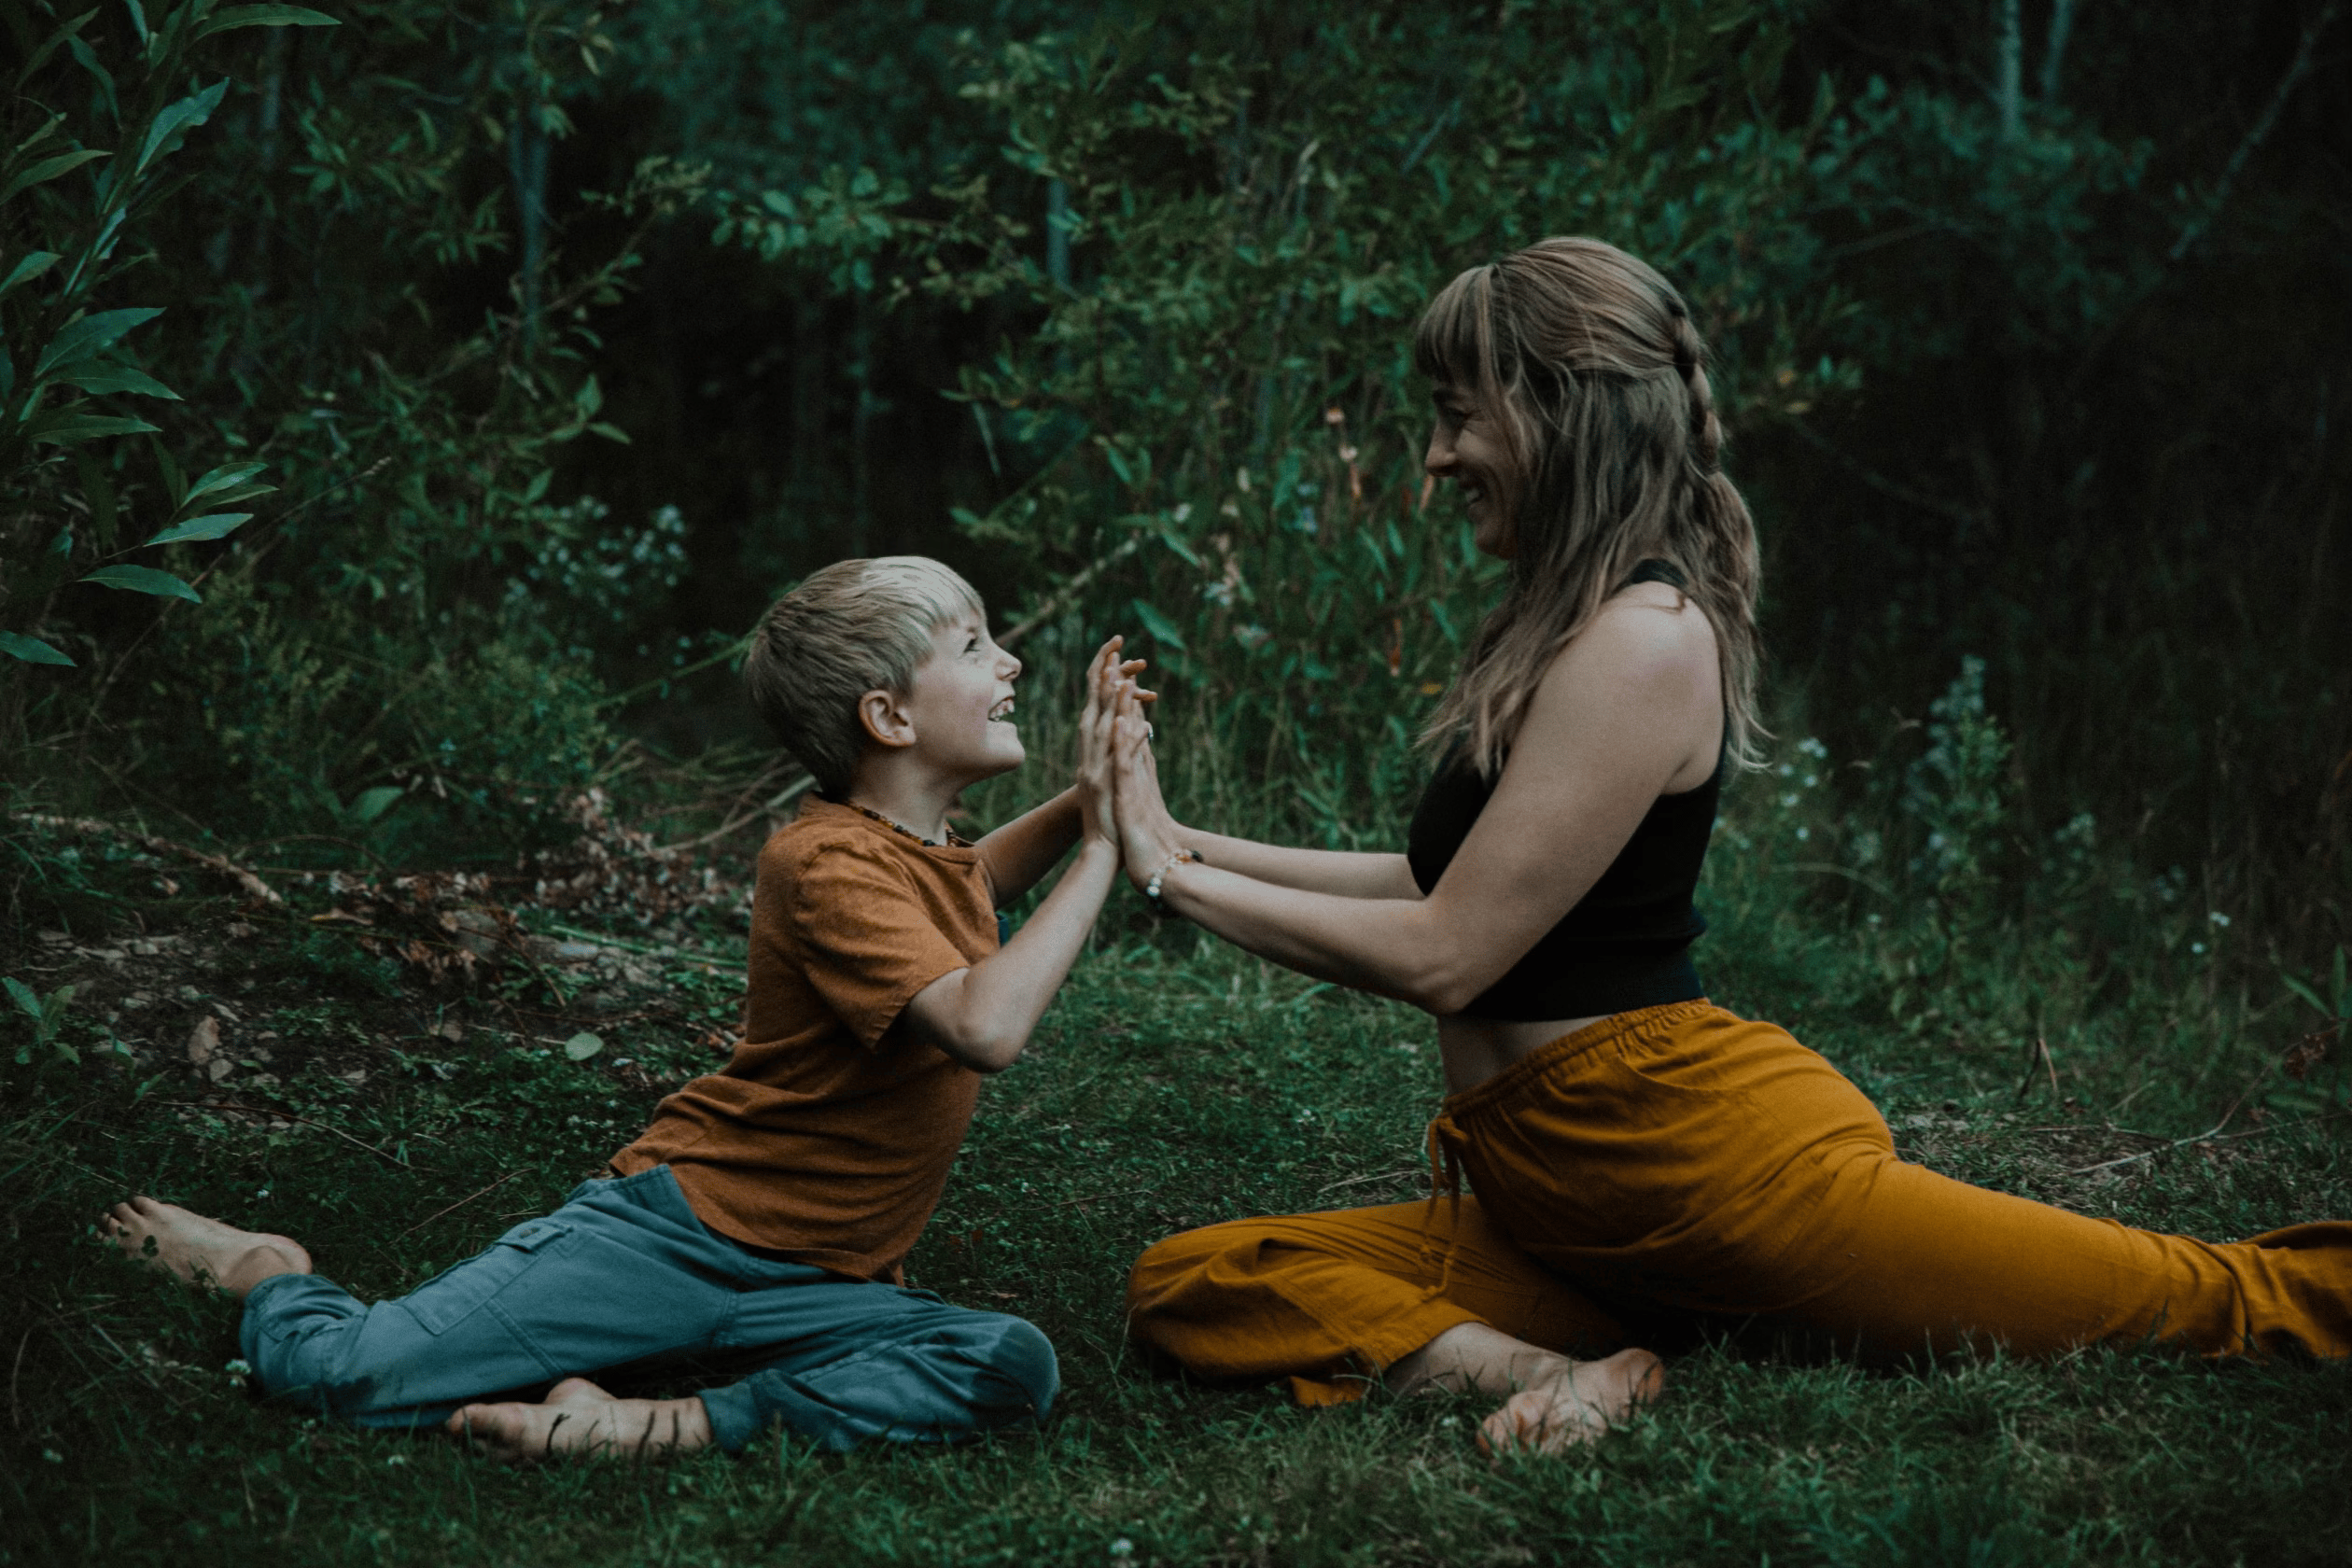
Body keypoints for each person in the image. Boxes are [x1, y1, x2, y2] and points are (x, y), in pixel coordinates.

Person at [1103, 237, 2352, 1455]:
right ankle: (1580, 1369)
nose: (1436, 457)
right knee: (1200, 1279)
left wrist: (1167, 880)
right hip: (1574, 1211)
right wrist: (1178, 838)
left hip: (1706, 1174)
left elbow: (1448, 953)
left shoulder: (1646, 641)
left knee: (2213, 1301)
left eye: (1454, 415)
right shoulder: (1558, 626)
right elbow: (1444, 887)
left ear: (1555, 411)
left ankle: (1698, 1315)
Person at [103, 556, 1144, 1460]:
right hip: (678, 1237)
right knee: (342, 1379)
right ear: (889, 716)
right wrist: (1099, 843)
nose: (1009, 663)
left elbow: (977, 888)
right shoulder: (823, 861)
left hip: (820, 1285)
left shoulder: (926, 852)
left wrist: (1093, 799)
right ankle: (267, 1273)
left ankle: (653, 1423)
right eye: (976, 646)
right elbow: (984, 1026)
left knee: (1007, 1363)